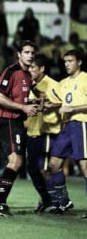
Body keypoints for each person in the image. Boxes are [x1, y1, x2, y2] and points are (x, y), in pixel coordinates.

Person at [0, 40, 39, 216]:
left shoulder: (28, 76)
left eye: (32, 53)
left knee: (15, 162)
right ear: (19, 54)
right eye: (27, 52)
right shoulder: (11, 71)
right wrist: (23, 107)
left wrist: (33, 104)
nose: (30, 55)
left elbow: (20, 99)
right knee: (16, 162)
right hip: (7, 121)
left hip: (17, 123)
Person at [26, 54, 73, 213]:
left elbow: (63, 102)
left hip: (48, 131)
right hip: (34, 131)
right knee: (35, 168)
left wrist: (49, 105)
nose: (30, 70)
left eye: (33, 67)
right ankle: (57, 200)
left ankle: (57, 202)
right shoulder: (33, 85)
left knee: (44, 168)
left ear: (42, 69)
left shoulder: (52, 84)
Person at [46, 49, 87, 218]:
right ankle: (64, 202)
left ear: (79, 62)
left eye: (70, 61)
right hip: (66, 127)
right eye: (65, 61)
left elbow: (71, 105)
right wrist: (45, 104)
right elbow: (57, 101)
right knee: (54, 164)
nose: (67, 64)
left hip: (81, 124)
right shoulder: (63, 82)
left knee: (85, 166)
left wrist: (73, 108)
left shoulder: (85, 78)